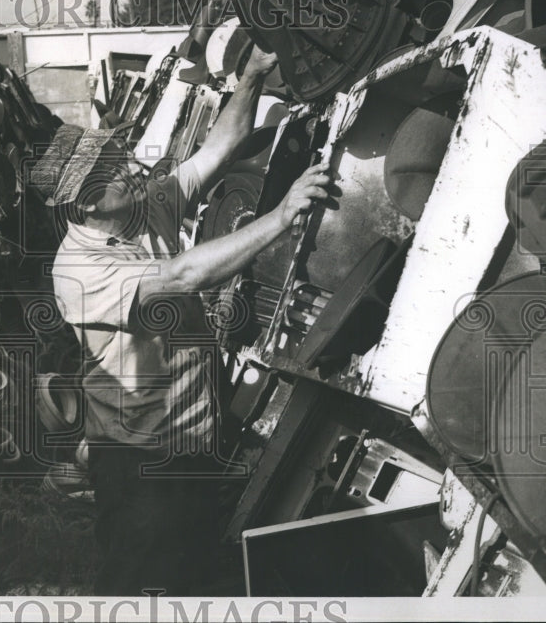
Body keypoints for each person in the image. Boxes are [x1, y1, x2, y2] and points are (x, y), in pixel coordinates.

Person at [28, 48, 331, 596]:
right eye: (111, 171)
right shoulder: (78, 271)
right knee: (138, 587)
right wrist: (281, 216)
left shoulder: (148, 206)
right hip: (139, 465)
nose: (130, 168)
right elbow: (184, 274)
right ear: (84, 206)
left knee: (189, 578)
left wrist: (253, 74)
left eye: (120, 156)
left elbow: (218, 149)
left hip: (192, 444)